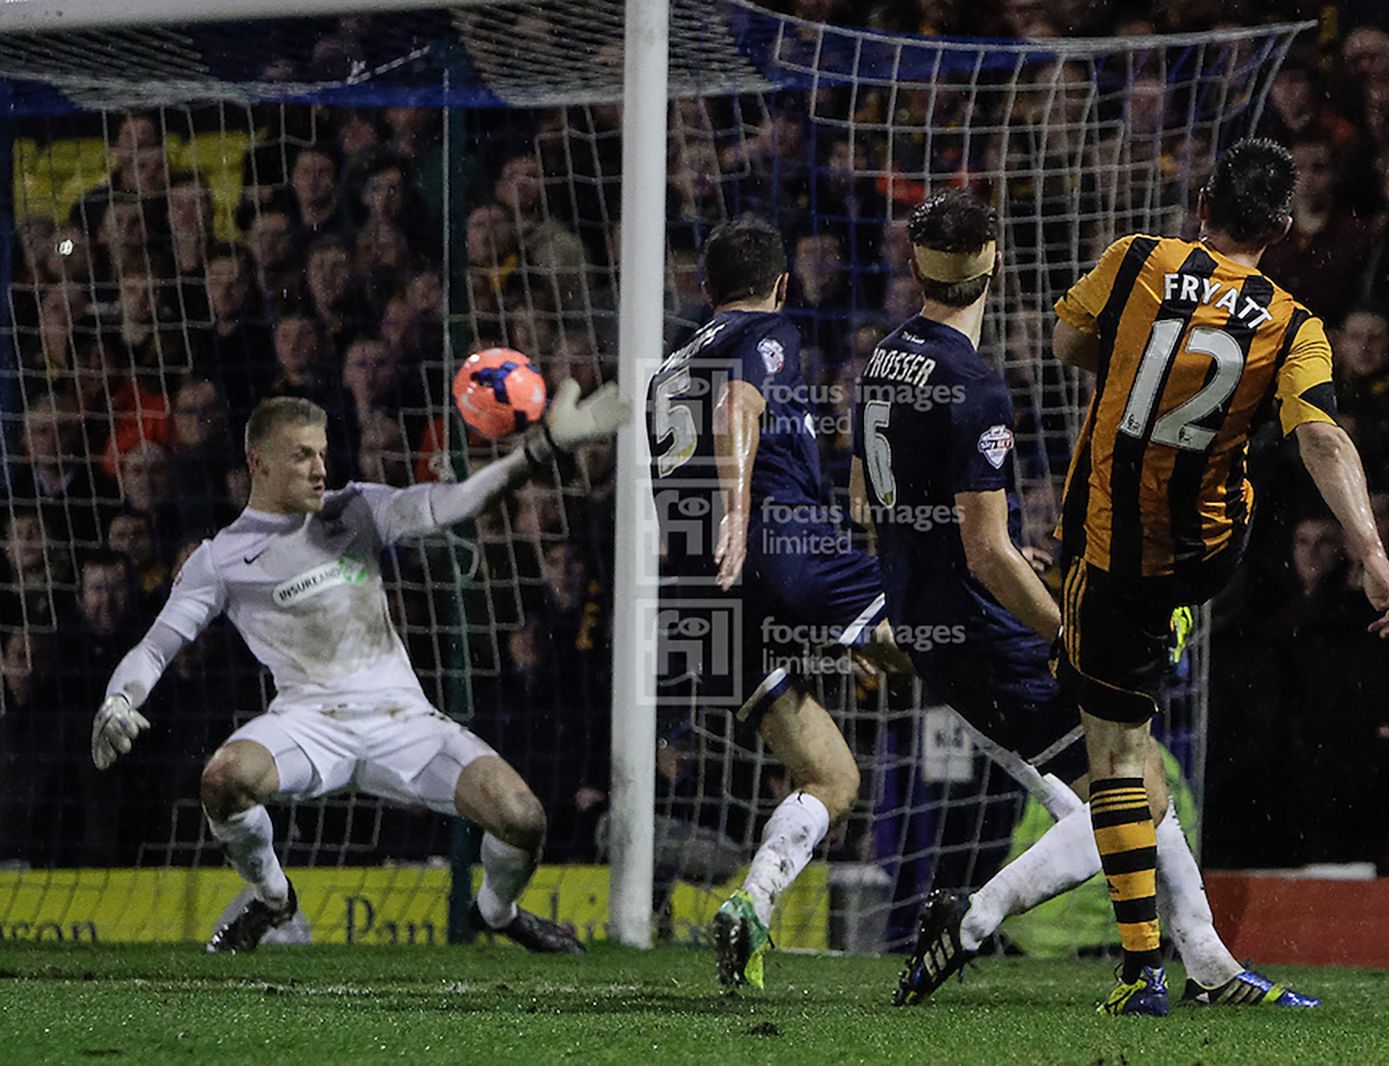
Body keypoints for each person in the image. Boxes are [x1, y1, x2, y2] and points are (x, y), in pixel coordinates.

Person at [856, 190, 1313, 1016]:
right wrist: (1060, 626)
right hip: (982, 627)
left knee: (1126, 782)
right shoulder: (976, 386)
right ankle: (972, 919)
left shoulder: (884, 358)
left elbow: (869, 502)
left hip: (932, 615)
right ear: (996, 260)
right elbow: (988, 552)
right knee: (1132, 789)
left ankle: (1206, 963)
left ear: (915, 263)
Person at [1045, 139, 1389, 1013]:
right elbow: (1321, 436)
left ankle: (1140, 973)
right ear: (1281, 228)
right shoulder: (1294, 322)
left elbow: (1065, 344)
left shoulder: (1137, 258)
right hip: (1210, 554)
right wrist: (1372, 551)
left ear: (1202, 205)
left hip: (1110, 553)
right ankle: (1194, 957)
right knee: (1239, 463)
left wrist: (1140, 369)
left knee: (1116, 758)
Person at [89, 383, 629, 954]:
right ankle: (273, 899)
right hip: (308, 722)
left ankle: (497, 912)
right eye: (303, 455)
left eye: (322, 453)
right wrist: (121, 699)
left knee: (523, 820)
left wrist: (541, 446)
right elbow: (156, 646)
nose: (320, 468)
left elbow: (458, 501)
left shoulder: (358, 508)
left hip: (403, 720)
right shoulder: (219, 558)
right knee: (224, 780)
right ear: (259, 462)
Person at [645, 217, 889, 990]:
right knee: (948, 630)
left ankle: (751, 904)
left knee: (833, 780)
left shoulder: (665, 369)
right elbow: (739, 410)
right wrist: (743, 516)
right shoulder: (769, 331)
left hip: (697, 601)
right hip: (772, 554)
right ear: (779, 285)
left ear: (704, 287)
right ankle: (1081, 799)